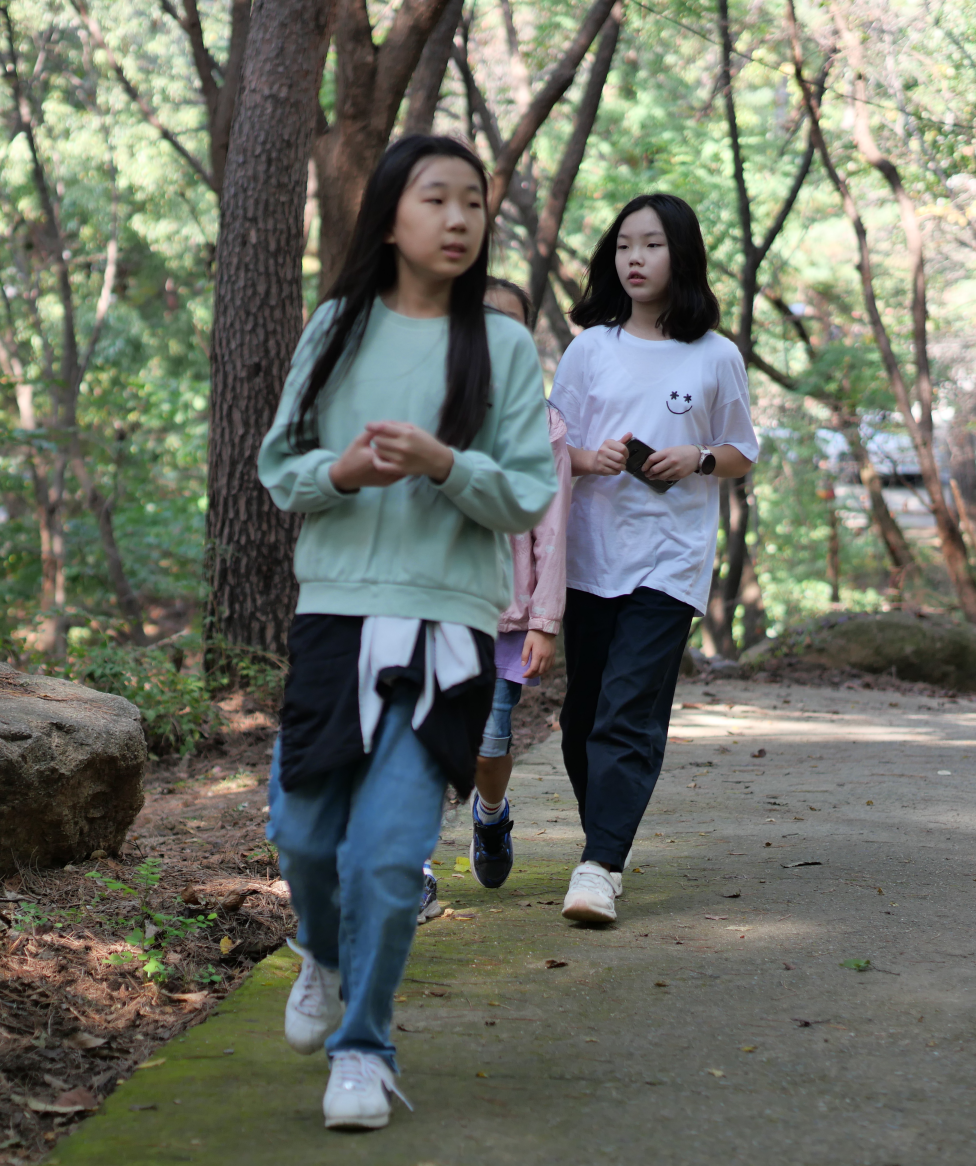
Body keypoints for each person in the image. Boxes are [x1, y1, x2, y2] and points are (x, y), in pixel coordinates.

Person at [258, 136, 556, 1130]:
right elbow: (279, 467)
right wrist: (341, 474)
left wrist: (444, 463)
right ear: (390, 217)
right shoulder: (337, 327)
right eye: (436, 198)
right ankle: (321, 949)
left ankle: (364, 1048)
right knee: (301, 833)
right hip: (337, 613)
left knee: (389, 858)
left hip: (448, 626)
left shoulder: (502, 348)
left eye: (473, 201)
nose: (459, 219)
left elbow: (527, 495)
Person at [548, 193, 758, 924]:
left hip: (669, 562)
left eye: (652, 245)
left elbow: (741, 451)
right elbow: (551, 444)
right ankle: (603, 842)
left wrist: (696, 457)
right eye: (623, 246)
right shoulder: (589, 349)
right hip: (588, 556)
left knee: (627, 712)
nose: (634, 259)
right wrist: (592, 458)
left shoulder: (715, 355)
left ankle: (600, 865)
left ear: (682, 255)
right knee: (583, 718)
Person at [462, 278, 572, 893]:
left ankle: (491, 814)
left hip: (506, 615)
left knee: (489, 742)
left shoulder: (544, 425)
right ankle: (411, 865)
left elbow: (551, 530)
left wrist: (544, 621)